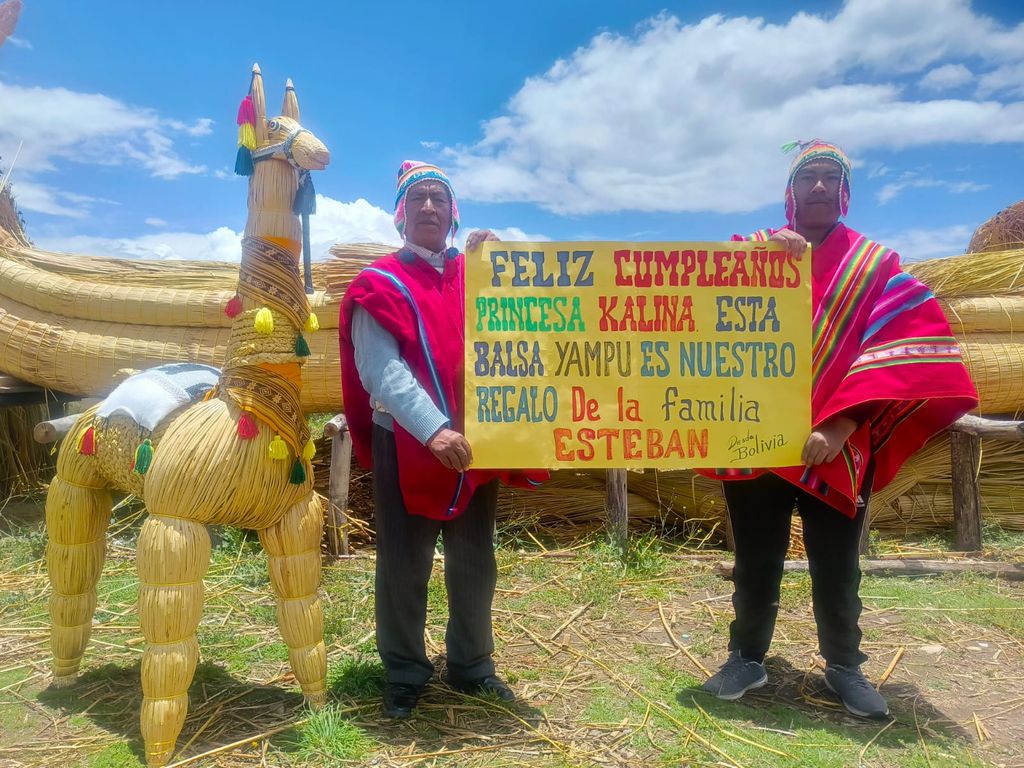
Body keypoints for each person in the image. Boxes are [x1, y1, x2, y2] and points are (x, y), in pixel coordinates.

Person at [701, 140, 978, 719]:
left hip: (838, 443)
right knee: (756, 560)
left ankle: (845, 667)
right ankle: (746, 656)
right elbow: (700, 307)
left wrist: (842, 423)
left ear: (845, 192)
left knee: (837, 563)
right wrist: (759, 265)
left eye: (831, 178)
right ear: (790, 193)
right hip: (756, 441)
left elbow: (898, 351)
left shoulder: (875, 265)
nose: (820, 187)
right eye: (809, 179)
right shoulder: (751, 250)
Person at [339, 161, 545, 718]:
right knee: (405, 561)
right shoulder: (379, 284)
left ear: (454, 214)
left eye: (440, 198)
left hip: (477, 440)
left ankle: (473, 665)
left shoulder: (474, 274)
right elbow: (381, 370)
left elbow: (526, 323)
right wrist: (433, 429)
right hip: (408, 439)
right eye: (419, 199)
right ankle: (405, 671)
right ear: (400, 214)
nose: (430, 207)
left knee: (475, 559)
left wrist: (503, 264)